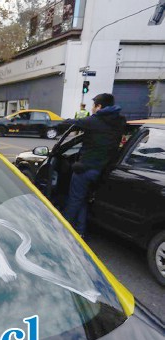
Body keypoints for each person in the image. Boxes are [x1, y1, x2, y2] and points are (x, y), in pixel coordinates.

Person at [62, 93, 126, 237]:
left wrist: (61, 120)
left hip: (85, 168)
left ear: (99, 106)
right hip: (103, 170)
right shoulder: (120, 121)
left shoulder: (94, 121)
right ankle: (80, 231)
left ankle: (63, 231)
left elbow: (70, 122)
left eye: (94, 106)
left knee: (74, 200)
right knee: (82, 199)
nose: (92, 109)